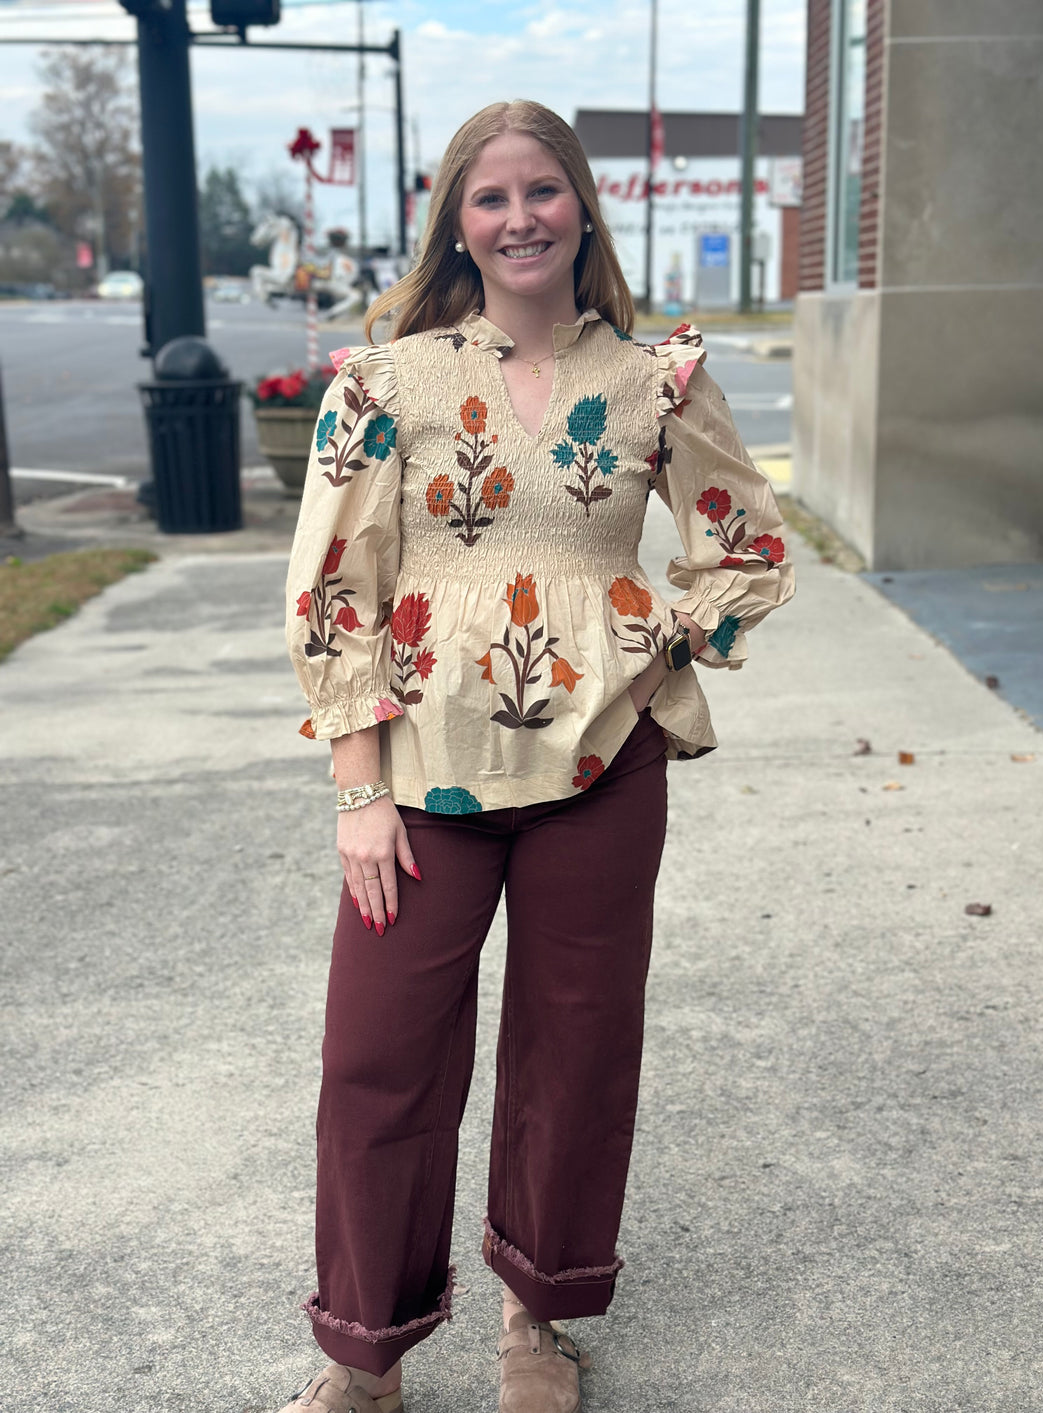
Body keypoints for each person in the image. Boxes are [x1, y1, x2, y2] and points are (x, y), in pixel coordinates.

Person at [281, 99, 794, 1413]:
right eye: (491, 196)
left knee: (576, 1047)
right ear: (459, 217)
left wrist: (666, 636)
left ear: (581, 207)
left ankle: (535, 1324)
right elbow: (337, 589)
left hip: (603, 772)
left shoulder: (656, 376)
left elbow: (747, 547)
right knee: (376, 1055)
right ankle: (365, 1355)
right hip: (421, 778)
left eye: (541, 191)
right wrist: (355, 784)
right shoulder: (386, 383)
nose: (519, 217)